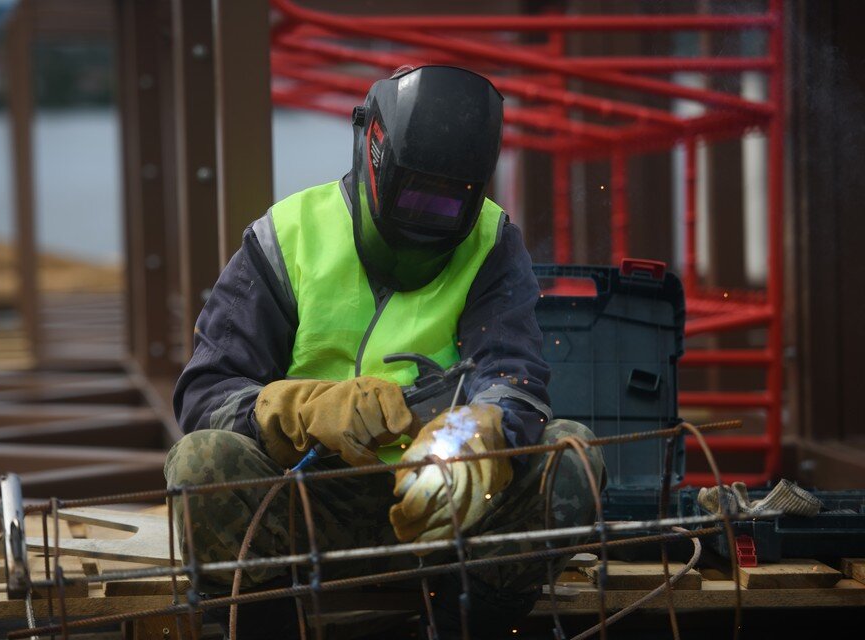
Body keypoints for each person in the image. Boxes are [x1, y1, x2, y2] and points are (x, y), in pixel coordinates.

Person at [164, 65, 605, 639]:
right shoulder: (288, 236)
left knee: (572, 458)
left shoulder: (492, 242)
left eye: (448, 204)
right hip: (306, 503)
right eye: (415, 193)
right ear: (372, 153)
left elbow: (513, 379)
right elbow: (206, 394)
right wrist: (298, 411)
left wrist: (475, 433)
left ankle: (461, 626)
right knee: (200, 463)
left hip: (447, 508)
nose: (426, 215)